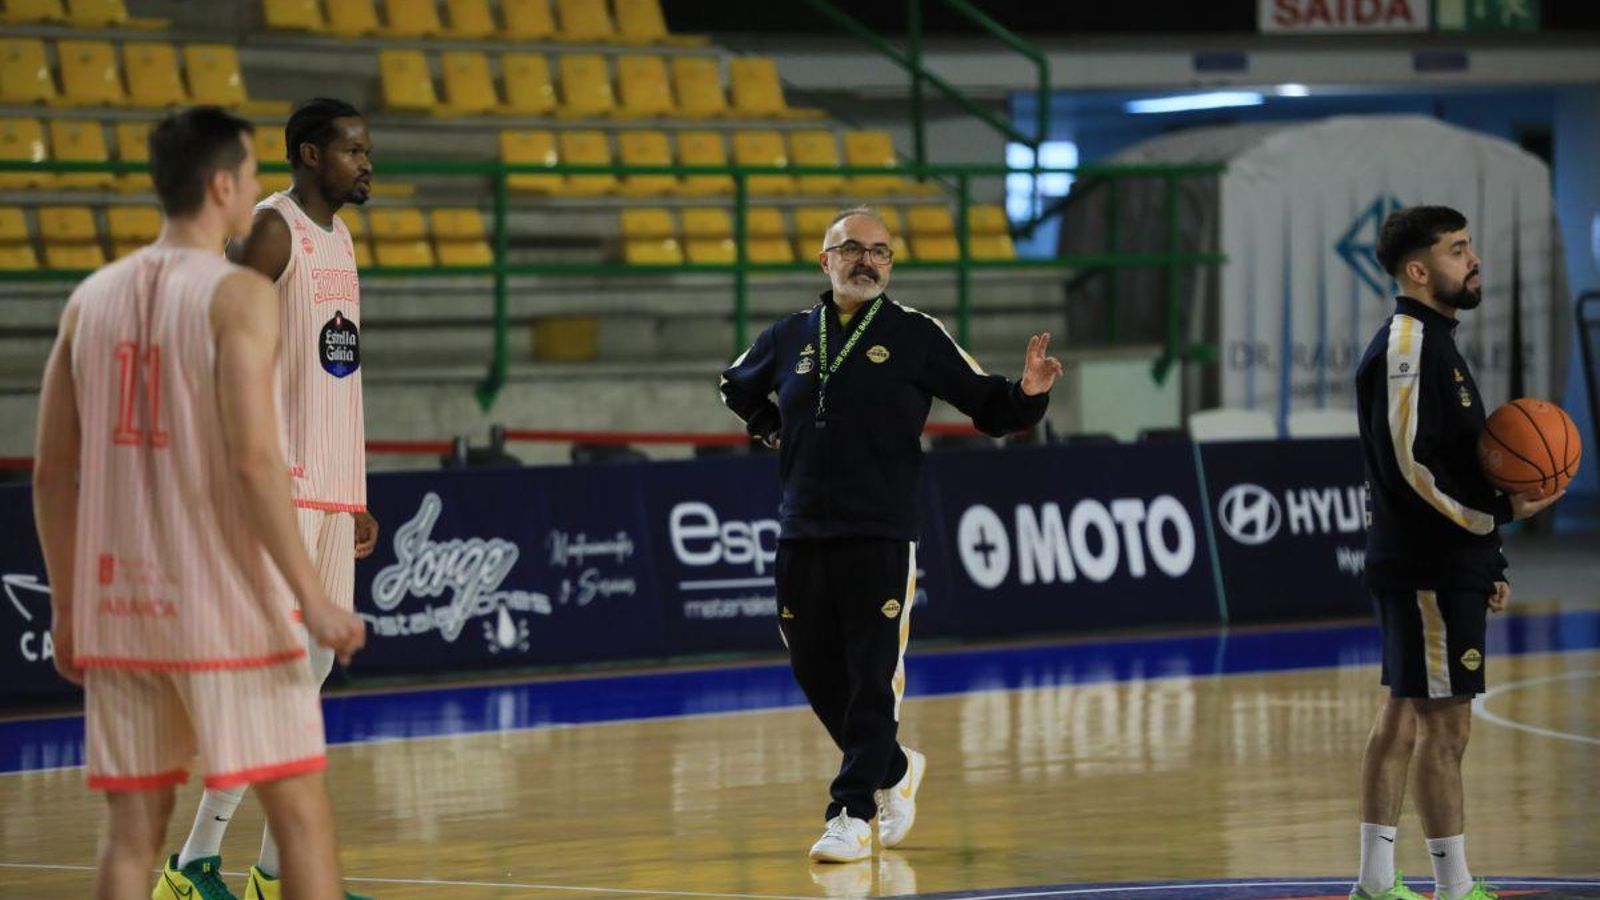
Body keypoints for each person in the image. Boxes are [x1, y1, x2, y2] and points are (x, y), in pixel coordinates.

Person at [31, 106, 366, 900]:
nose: (258, 189)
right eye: (250, 174)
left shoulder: (91, 298)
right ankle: (211, 869)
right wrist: (314, 597)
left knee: (129, 830)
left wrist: (67, 611)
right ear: (222, 186)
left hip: (121, 585)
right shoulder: (232, 292)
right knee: (301, 810)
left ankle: (191, 871)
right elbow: (251, 458)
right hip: (221, 561)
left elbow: (50, 473)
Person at [719, 207, 1062, 862]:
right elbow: (733, 385)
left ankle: (850, 814)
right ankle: (896, 769)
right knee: (815, 669)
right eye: (853, 248)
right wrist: (768, 425)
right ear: (826, 261)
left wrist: (1028, 392)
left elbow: (989, 405)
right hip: (801, 528)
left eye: (880, 250)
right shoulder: (789, 334)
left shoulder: (915, 335)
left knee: (872, 675)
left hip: (880, 529)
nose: (867, 260)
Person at [154, 97, 378, 900]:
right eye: (353, 150)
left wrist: (351, 493)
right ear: (311, 155)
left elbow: (332, 377)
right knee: (279, 680)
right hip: (277, 493)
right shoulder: (276, 230)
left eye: (367, 150)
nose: (367, 164)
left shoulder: (341, 237)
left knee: (308, 676)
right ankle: (189, 868)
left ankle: (272, 876)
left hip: (326, 496)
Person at [1350, 206, 1563, 900]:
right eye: (1456, 249)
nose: (1473, 259)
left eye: (1470, 244)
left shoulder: (1435, 341)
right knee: (1445, 725)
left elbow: (1451, 461)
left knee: (1406, 713)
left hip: (1441, 563)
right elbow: (1413, 466)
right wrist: (1494, 516)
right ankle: (1455, 886)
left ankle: (1378, 884)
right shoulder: (1410, 344)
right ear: (1418, 271)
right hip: (1429, 566)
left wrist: (1488, 559)